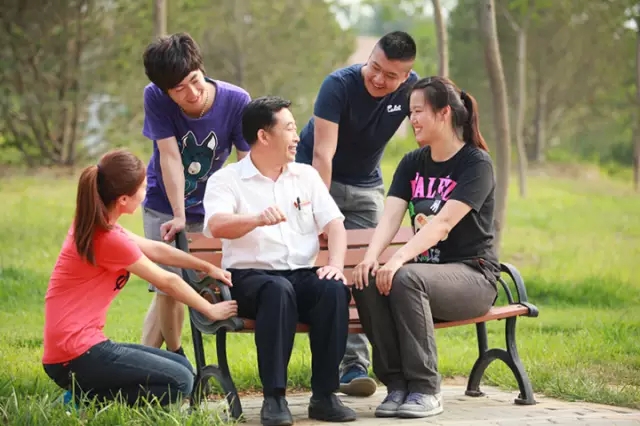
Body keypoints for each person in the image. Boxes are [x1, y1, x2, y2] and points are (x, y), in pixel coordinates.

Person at [350, 76, 500, 419]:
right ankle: (397, 385)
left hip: (473, 277)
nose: (412, 119)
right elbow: (390, 218)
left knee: (406, 277)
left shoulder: (476, 163)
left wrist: (398, 259)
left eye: (418, 111)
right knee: (367, 279)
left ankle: (426, 389)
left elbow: (443, 224)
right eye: (410, 112)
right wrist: (370, 259)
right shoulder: (412, 162)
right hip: (423, 279)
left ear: (444, 113)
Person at [42, 149, 238, 408]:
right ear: (123, 199)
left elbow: (156, 249)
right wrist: (210, 309)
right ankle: (85, 398)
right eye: (143, 188)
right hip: (74, 355)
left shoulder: (99, 225)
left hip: (78, 348)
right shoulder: (107, 238)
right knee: (180, 382)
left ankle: (86, 392)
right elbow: (168, 281)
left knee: (180, 367)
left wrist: (207, 267)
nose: (146, 193)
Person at [203, 96, 357, 425]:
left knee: (332, 289)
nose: (297, 137)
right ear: (263, 136)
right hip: (249, 279)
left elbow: (335, 224)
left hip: (300, 274)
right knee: (277, 290)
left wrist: (336, 265)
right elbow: (216, 224)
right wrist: (256, 219)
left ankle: (325, 396)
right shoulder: (227, 180)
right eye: (289, 128)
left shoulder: (306, 176)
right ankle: (274, 398)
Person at [295, 30, 419, 397]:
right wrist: (320, 212)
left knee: (362, 270)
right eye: (374, 67)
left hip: (366, 187)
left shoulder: (412, 91)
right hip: (317, 179)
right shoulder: (338, 86)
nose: (378, 79)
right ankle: (322, 363)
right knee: (321, 268)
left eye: (390, 75)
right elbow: (323, 155)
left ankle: (353, 366)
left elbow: (440, 117)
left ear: (406, 77)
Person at [139, 32, 251, 357]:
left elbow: (245, 162)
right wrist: (178, 214)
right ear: (165, 90)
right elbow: (169, 156)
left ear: (202, 68)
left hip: (211, 208)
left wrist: (240, 213)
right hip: (163, 204)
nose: (191, 93)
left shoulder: (236, 101)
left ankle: (148, 366)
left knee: (179, 285)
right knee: (167, 286)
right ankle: (175, 358)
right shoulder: (154, 97)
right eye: (178, 89)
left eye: (194, 80)